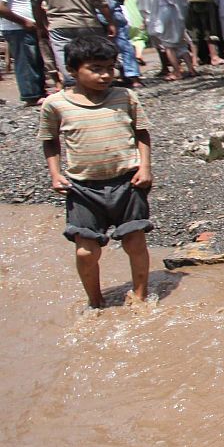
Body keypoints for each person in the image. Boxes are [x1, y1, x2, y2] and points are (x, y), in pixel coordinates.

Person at [40, 33, 153, 308]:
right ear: (72, 70)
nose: (104, 76)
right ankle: (96, 301)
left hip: (127, 181)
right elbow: (50, 141)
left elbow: (142, 133)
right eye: (95, 69)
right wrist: (55, 174)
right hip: (82, 187)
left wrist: (145, 167)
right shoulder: (55, 104)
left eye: (109, 68)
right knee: (85, 252)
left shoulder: (125, 96)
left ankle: (139, 296)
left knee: (135, 243)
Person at [0, 0, 48, 105]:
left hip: (23, 27)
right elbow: (1, 7)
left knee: (33, 59)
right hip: (17, 28)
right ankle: (31, 95)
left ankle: (37, 91)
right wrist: (23, 21)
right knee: (25, 60)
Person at [129, 0, 186, 81]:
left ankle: (175, 70)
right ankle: (190, 68)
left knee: (166, 45)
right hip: (176, 12)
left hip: (157, 14)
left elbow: (142, 1)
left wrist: (145, 17)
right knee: (181, 42)